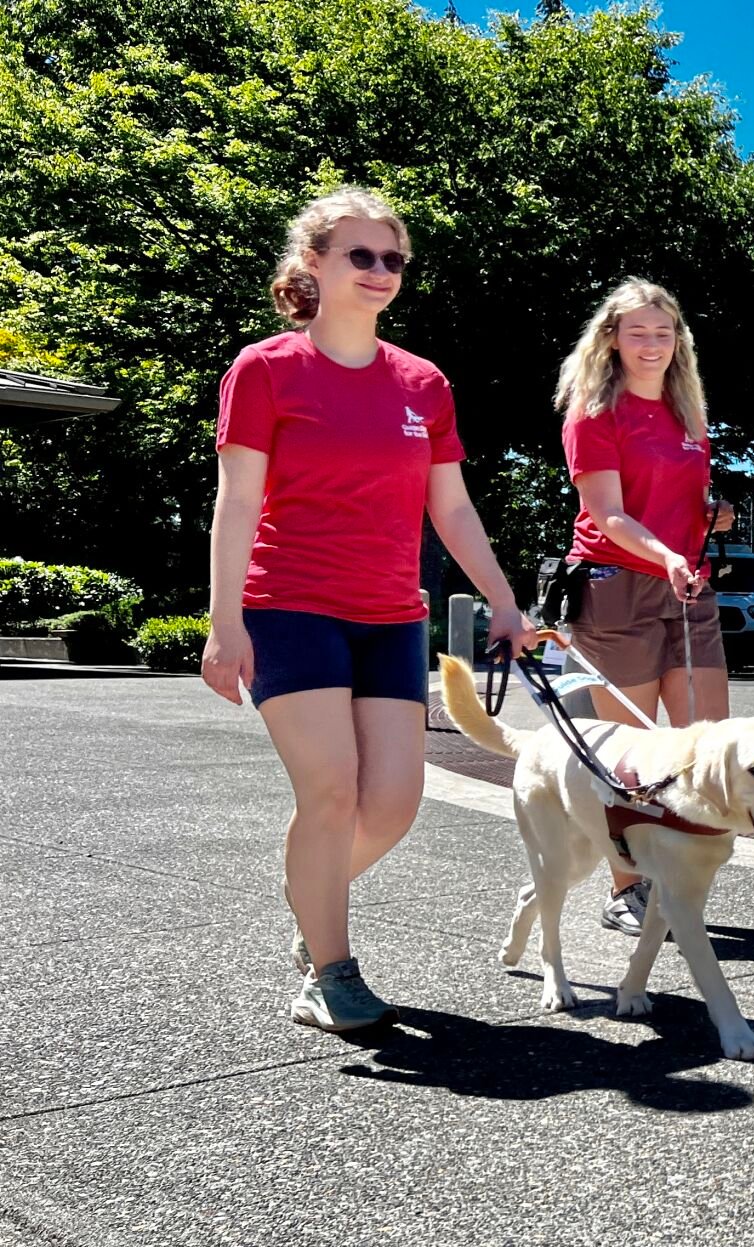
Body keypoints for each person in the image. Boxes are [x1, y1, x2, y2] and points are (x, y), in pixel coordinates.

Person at [201, 187, 538, 1032]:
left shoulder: (423, 384)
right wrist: (223, 620)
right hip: (288, 604)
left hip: (391, 614)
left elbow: (452, 509)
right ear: (314, 262)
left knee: (392, 802)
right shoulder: (266, 368)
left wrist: (504, 601)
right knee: (331, 789)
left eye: (393, 259)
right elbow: (237, 502)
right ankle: (331, 969)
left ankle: (312, 902)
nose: (381, 272)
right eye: (361, 255)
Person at [555, 278, 734, 935]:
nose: (652, 344)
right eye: (638, 332)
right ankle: (627, 888)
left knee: (706, 744)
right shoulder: (594, 413)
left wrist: (716, 517)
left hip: (687, 586)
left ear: (678, 340)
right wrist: (667, 556)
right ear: (612, 338)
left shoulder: (689, 415)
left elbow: (684, 501)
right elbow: (608, 514)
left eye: (663, 333)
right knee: (631, 750)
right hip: (617, 587)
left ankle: (676, 874)